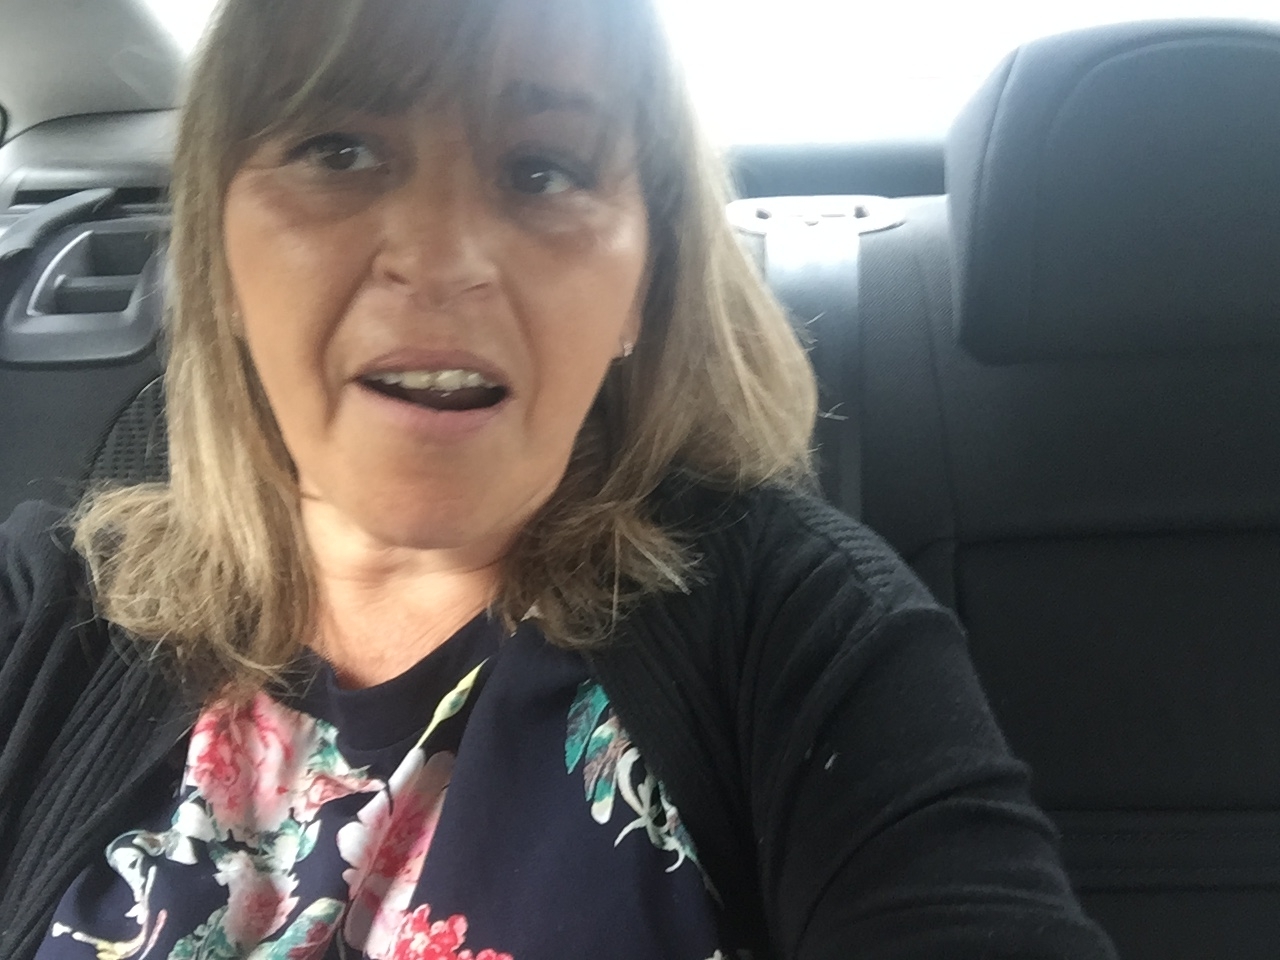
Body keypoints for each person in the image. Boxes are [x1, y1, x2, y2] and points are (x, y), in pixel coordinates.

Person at [0, 0, 1118, 957]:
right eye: (338, 150)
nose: (440, 258)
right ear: (220, 251)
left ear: (641, 286)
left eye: (543, 171)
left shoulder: (800, 632)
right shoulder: (43, 609)